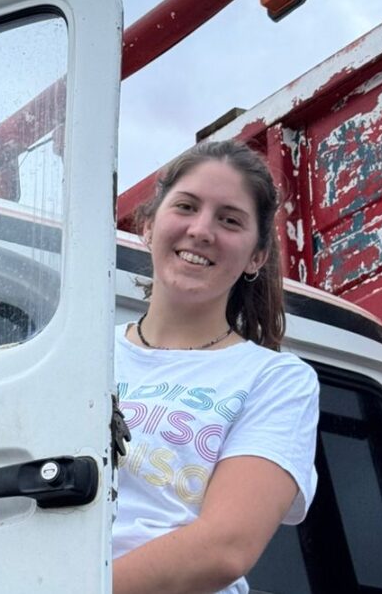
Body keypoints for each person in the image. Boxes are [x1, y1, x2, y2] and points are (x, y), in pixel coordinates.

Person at [112, 140, 319, 594]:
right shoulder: (80, 351)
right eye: (186, 206)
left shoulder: (276, 380)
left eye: (229, 220)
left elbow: (225, 547)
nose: (201, 230)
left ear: (256, 256)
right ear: (148, 225)